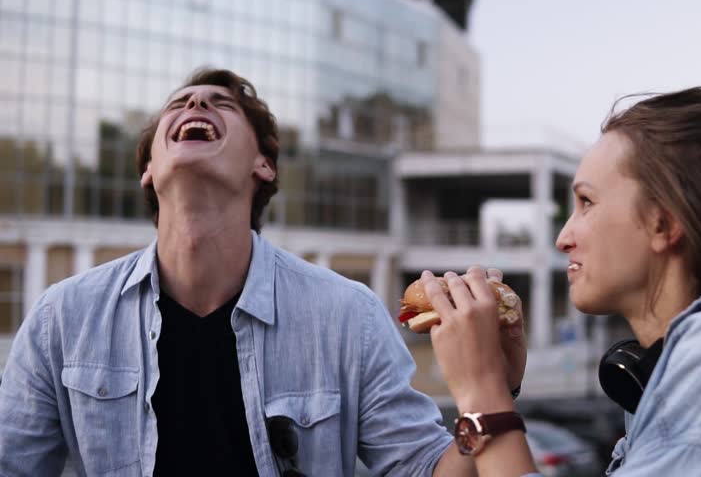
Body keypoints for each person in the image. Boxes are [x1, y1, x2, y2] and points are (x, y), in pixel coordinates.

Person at [0, 68, 526, 476]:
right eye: (179, 105)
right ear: (148, 170)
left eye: (219, 104)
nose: (196, 103)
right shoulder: (62, 318)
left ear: (263, 166)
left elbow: (423, 468)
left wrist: (490, 397)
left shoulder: (347, 315)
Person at [422, 87, 701, 476]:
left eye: (586, 202)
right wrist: (494, 387)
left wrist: (483, 393)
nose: (562, 237)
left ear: (663, 224)